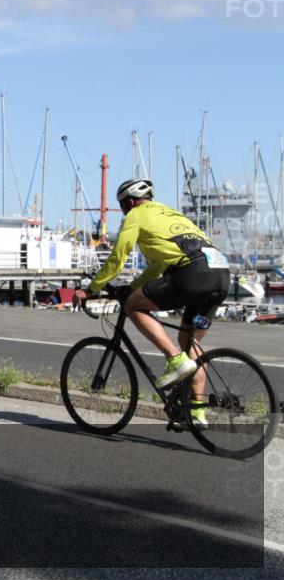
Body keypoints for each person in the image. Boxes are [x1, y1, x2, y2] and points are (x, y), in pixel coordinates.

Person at [74, 178, 230, 430]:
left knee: (133, 307)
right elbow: (158, 265)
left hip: (193, 272)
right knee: (191, 344)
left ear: (131, 202)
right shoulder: (169, 213)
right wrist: (136, 286)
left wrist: (91, 289)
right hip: (220, 274)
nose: (123, 211)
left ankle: (174, 361)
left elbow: (118, 257)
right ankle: (196, 412)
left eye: (123, 206)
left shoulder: (136, 215)